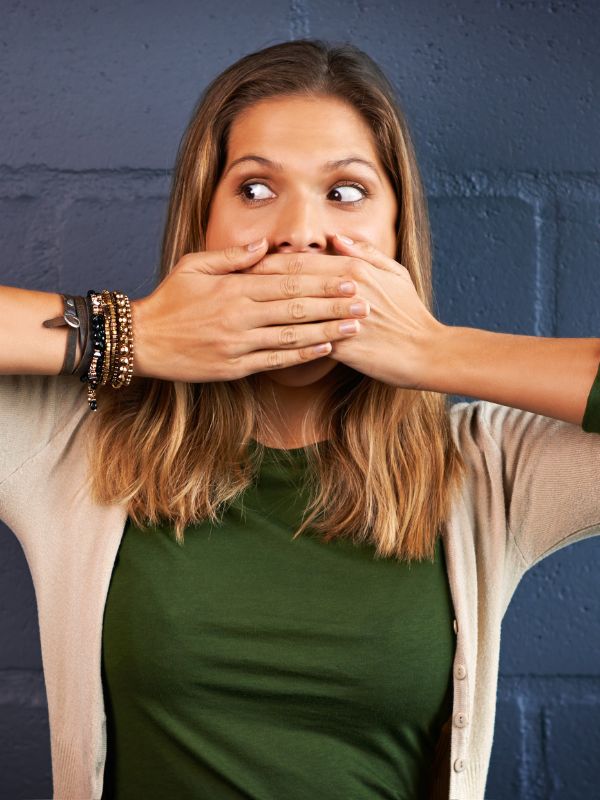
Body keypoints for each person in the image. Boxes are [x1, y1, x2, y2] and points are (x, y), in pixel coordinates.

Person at [1, 38, 599, 800]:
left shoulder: (490, 469)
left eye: (345, 193)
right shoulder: (76, 442)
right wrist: (131, 332)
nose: (299, 234)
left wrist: (436, 350)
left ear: (396, 235)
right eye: (255, 190)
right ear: (202, 224)